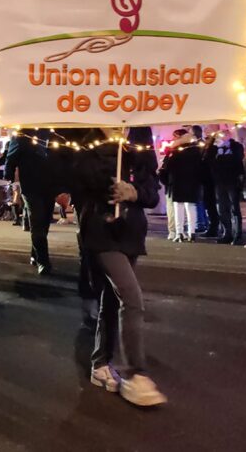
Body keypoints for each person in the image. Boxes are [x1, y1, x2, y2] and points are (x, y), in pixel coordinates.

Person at [74, 127, 167, 406]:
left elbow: (152, 191)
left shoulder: (139, 136)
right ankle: (136, 374)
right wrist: (111, 153)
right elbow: (83, 179)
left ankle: (100, 363)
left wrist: (135, 192)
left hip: (132, 232)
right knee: (131, 297)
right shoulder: (88, 136)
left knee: (112, 299)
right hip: (101, 231)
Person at [4, 129, 57, 274]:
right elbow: (11, 159)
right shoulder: (21, 135)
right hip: (31, 186)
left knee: (44, 222)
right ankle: (43, 260)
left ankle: (35, 253)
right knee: (37, 222)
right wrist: (7, 181)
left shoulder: (53, 133)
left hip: (51, 186)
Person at [158, 129, 202, 243]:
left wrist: (165, 179)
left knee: (178, 208)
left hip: (177, 182)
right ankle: (191, 232)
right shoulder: (197, 151)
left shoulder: (175, 152)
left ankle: (179, 233)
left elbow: (166, 168)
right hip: (192, 182)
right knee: (191, 207)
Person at [206, 130, 245, 244]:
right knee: (222, 208)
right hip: (219, 181)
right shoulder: (215, 148)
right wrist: (214, 146)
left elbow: (236, 160)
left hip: (232, 180)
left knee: (234, 207)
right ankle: (226, 232)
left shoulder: (235, 146)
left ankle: (237, 233)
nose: (220, 138)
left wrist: (220, 158)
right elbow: (209, 160)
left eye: (222, 135)